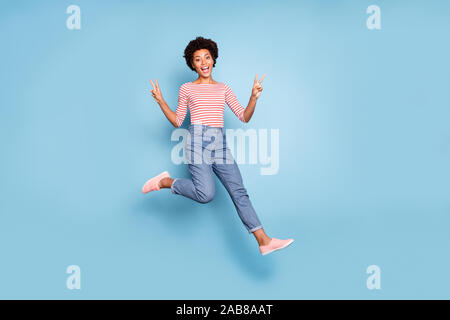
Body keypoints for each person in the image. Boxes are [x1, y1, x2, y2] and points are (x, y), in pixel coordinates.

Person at [142, 36, 293, 256]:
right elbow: (177, 120)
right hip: (197, 140)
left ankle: (264, 241)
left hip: (219, 143)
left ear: (213, 59)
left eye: (207, 57)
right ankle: (165, 181)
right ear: (192, 64)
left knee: (239, 191)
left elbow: (243, 116)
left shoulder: (223, 88)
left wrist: (253, 97)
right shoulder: (187, 89)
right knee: (206, 194)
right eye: (197, 59)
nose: (203, 62)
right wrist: (160, 101)